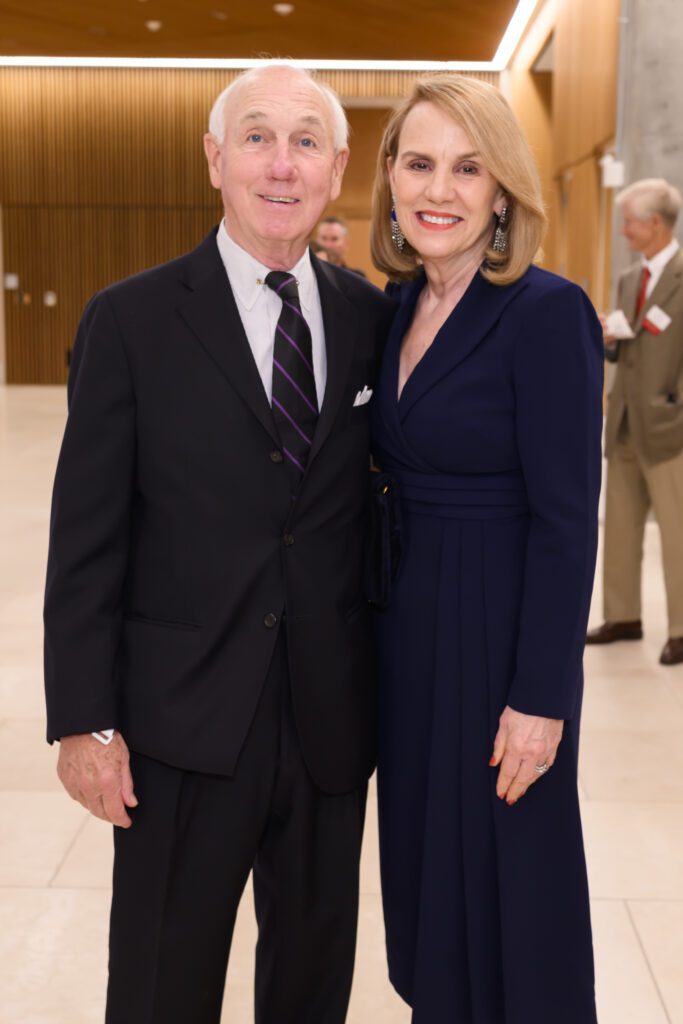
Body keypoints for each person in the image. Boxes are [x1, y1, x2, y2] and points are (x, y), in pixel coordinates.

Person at [43, 63, 395, 1024]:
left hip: (327, 722)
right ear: (214, 159)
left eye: (305, 141)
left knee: (313, 986)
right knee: (163, 983)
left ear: (337, 169)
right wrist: (83, 720)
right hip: (180, 727)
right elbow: (85, 538)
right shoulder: (131, 319)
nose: (281, 165)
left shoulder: (371, 318)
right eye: (256, 137)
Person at [369, 74, 603, 1023]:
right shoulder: (394, 306)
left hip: (501, 641)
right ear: (388, 180)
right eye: (419, 163)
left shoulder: (546, 312)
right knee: (428, 880)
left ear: (503, 190)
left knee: (515, 890)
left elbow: (566, 519)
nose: (440, 189)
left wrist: (541, 699)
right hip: (408, 642)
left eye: (468, 168)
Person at [587, 178, 683, 665]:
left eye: (628, 222)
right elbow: (624, 346)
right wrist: (606, 335)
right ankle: (623, 615)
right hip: (624, 421)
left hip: (671, 427)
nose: (622, 230)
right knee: (620, 526)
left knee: (677, 531)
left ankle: (682, 628)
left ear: (655, 224)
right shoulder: (629, 279)